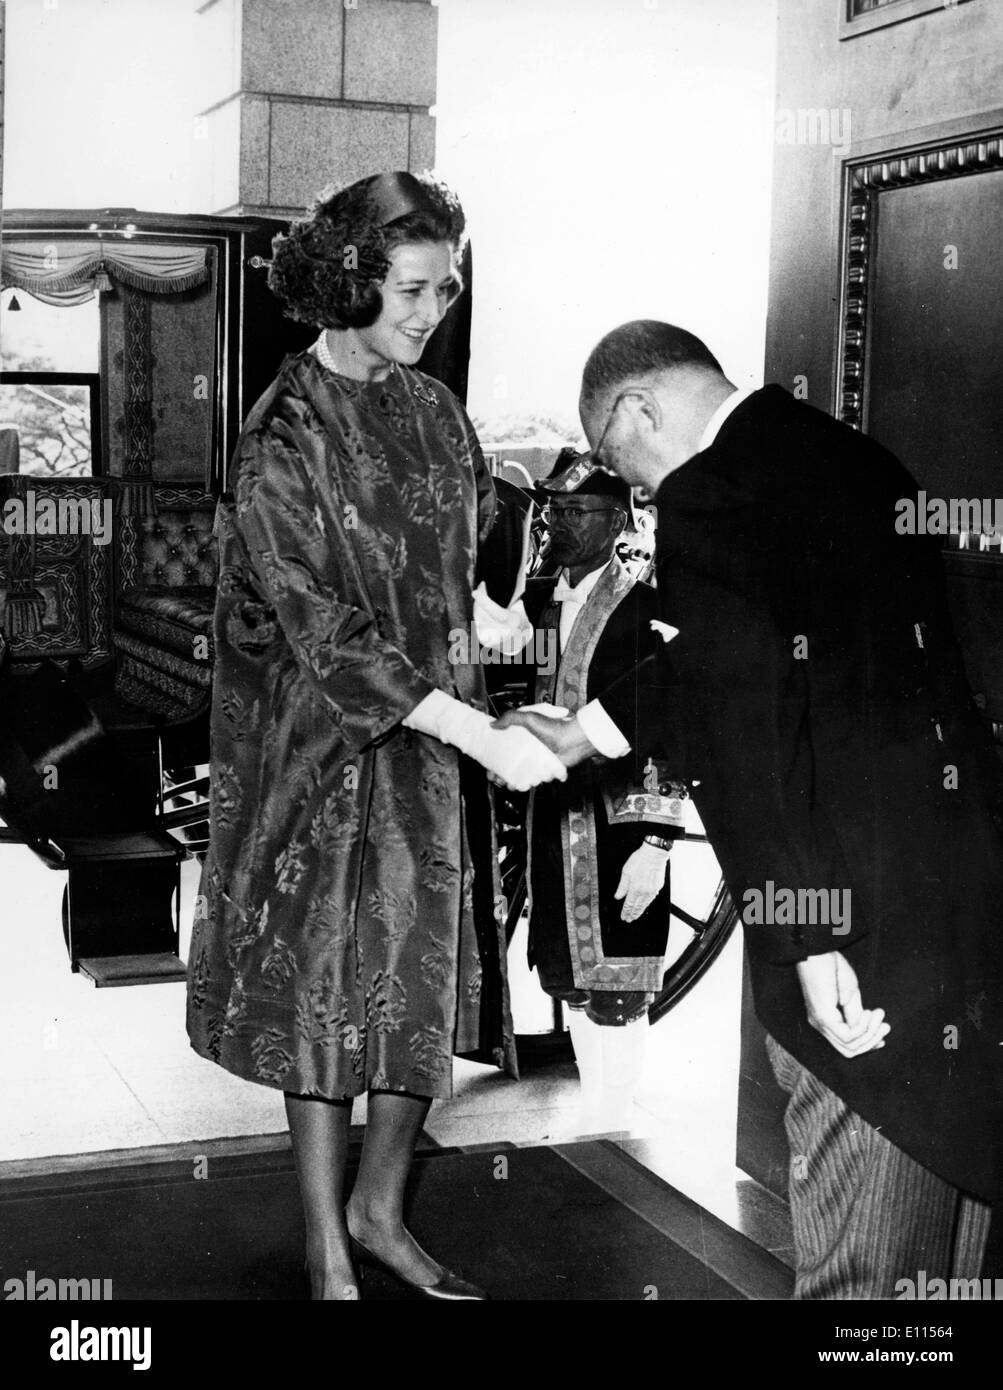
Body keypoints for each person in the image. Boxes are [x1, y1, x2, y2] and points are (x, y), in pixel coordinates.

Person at [497, 320, 1003, 1298]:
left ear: (637, 409)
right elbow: (743, 655)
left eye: (617, 457)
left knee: (865, 1257)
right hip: (960, 889)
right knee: (963, 1232)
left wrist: (803, 938)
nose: (635, 487)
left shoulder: (708, 497)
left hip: (849, 915)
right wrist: (590, 730)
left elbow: (742, 729)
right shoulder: (857, 459)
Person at [186, 170, 565, 1302]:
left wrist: (507, 675)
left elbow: (454, 592)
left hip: (426, 747)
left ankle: (380, 1211)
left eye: (445, 292)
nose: (428, 313)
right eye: (410, 289)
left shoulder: (437, 414)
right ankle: (323, 1244)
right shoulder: (282, 428)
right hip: (311, 749)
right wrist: (468, 726)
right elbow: (315, 621)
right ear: (349, 279)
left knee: (413, 975)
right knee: (322, 987)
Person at [518, 449, 683, 1136]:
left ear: (615, 518)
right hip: (555, 819)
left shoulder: (640, 605)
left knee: (618, 977)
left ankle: (611, 1124)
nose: (558, 521)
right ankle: (596, 1117)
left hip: (620, 822)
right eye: (553, 508)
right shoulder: (543, 598)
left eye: (576, 510)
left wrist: (657, 841)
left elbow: (671, 719)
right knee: (574, 976)